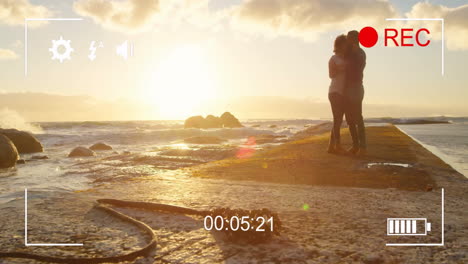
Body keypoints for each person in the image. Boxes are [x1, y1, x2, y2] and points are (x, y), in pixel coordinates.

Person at [344, 30, 367, 156]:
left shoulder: (360, 53)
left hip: (356, 87)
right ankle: (355, 145)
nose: (347, 41)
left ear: (354, 40)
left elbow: (355, 69)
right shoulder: (349, 54)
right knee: (350, 119)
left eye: (349, 39)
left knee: (358, 117)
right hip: (348, 88)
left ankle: (362, 147)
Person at [327, 34, 348, 154]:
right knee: (337, 119)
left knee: (338, 120)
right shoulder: (333, 59)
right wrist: (341, 69)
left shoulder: (346, 58)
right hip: (334, 91)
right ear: (339, 44)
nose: (346, 46)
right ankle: (338, 146)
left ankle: (331, 146)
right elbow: (331, 75)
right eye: (344, 43)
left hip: (342, 92)